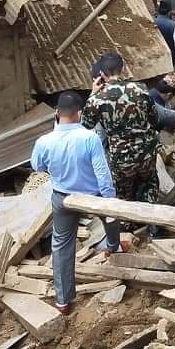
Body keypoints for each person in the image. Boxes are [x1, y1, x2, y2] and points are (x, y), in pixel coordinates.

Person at [30, 91, 116, 314]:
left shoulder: (44, 141)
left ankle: (63, 300)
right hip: (92, 196)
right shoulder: (90, 138)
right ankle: (113, 247)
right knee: (111, 217)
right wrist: (110, 202)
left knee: (61, 246)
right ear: (80, 113)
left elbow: (37, 167)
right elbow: (103, 175)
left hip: (63, 197)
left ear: (57, 113)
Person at [84, 52, 166, 241]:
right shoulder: (141, 89)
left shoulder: (97, 98)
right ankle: (153, 227)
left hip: (120, 157)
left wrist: (92, 93)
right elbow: (154, 117)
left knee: (122, 192)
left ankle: (128, 231)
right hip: (146, 151)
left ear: (102, 73)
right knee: (150, 183)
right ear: (123, 68)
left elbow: (86, 125)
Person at [155, 0, 175, 68]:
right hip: (171, 57)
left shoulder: (152, 21)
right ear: (169, 12)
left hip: (157, 55)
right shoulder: (174, 25)